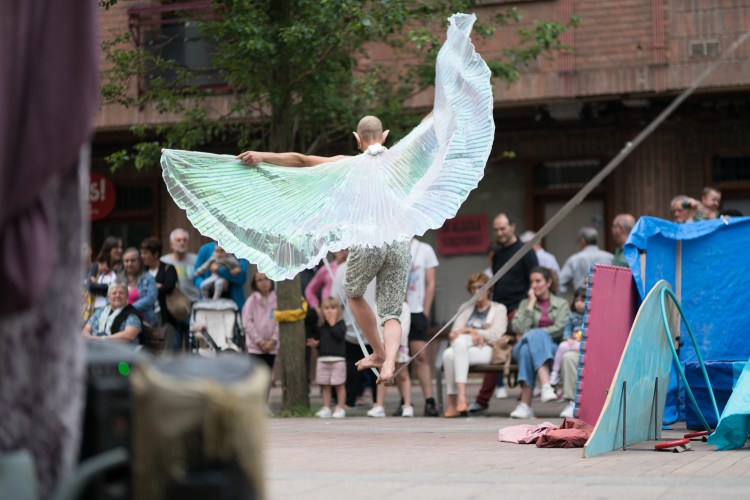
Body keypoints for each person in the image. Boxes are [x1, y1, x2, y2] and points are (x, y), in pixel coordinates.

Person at [238, 116, 411, 386]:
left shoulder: (348, 164)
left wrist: (262, 156)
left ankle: (379, 353)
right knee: (391, 312)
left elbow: (302, 160)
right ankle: (390, 360)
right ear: (385, 137)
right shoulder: (400, 165)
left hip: (368, 240)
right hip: (399, 242)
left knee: (353, 293)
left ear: (357, 139)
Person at [468, 213, 538, 414]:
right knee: (494, 351)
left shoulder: (526, 250)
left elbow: (534, 281)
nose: (499, 233)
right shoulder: (497, 253)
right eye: (496, 229)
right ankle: (482, 400)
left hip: (519, 310)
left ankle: (524, 400)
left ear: (512, 227)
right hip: (499, 309)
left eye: (503, 228)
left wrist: (527, 309)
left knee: (522, 352)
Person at [442, 272, 507, 418]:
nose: (477, 291)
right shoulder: (465, 307)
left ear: (488, 289)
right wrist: (470, 334)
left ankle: (457, 400)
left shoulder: (499, 308)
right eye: (473, 288)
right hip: (463, 349)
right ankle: (456, 402)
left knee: (456, 347)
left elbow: (496, 335)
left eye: (481, 287)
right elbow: (453, 333)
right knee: (448, 354)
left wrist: (472, 332)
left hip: (486, 349)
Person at [509, 266, 571, 418]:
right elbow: (518, 327)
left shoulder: (561, 303)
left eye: (538, 281)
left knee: (528, 350)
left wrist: (537, 333)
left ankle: (525, 405)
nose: (534, 285)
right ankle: (546, 385)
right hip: (520, 346)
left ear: (548, 282)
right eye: (532, 282)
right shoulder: (525, 303)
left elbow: (560, 328)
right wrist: (530, 304)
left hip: (552, 348)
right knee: (527, 345)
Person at [400, 237, 440, 417]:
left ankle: (429, 400)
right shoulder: (392, 245)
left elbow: (431, 283)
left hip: (417, 309)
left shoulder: (424, 249)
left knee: (420, 356)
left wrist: (425, 311)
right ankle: (405, 401)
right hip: (399, 309)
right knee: (399, 357)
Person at [161, 228, 200, 351]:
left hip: (193, 304)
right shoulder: (164, 261)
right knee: (175, 344)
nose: (182, 243)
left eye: (184, 240)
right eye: (178, 240)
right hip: (173, 307)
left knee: (192, 343)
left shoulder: (196, 260)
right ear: (171, 244)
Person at [308, 297, 348, 419]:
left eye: (333, 308)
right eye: (326, 308)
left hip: (338, 359)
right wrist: (316, 345)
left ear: (338, 311)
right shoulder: (320, 326)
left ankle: (340, 408)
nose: (330, 311)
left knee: (339, 384)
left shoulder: (341, 324)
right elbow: (322, 343)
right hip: (323, 359)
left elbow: (339, 336)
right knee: (325, 385)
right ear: (322, 310)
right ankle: (326, 407)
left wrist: (332, 323)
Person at [558, 226, 613, 294]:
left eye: (578, 241)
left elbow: (560, 282)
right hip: (606, 296)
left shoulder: (574, 259)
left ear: (583, 240)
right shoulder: (610, 258)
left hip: (582, 297)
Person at [194, 241, 249, 308]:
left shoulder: (238, 250)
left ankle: (215, 300)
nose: (219, 254)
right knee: (204, 285)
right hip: (208, 300)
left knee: (218, 283)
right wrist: (208, 286)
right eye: (217, 251)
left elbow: (242, 277)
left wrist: (220, 271)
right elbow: (196, 276)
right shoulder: (205, 249)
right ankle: (207, 299)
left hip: (233, 301)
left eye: (222, 251)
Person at [242, 272, 279, 370]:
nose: (264, 282)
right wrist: (259, 341)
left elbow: (279, 322)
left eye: (266, 279)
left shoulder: (276, 301)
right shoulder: (251, 301)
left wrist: (273, 340)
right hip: (255, 348)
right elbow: (247, 322)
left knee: (268, 374)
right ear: (255, 284)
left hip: (272, 347)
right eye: (259, 280)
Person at [550, 287, 586, 387]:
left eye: (582, 301)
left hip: (584, 344)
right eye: (577, 301)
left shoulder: (590, 316)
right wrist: (568, 338)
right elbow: (567, 329)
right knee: (562, 346)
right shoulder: (572, 316)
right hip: (574, 342)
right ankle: (555, 372)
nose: (579, 304)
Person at [140, 237, 178, 328]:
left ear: (156, 254)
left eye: (145, 253)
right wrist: (157, 286)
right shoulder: (142, 271)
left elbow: (169, 287)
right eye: (141, 253)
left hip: (165, 315)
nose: (142, 256)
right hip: (146, 315)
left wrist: (150, 288)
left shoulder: (168, 268)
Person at [119, 247, 158, 326]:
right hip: (122, 321)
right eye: (126, 261)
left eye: (133, 260)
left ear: (139, 262)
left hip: (145, 322)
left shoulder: (149, 278)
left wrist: (129, 309)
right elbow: (109, 300)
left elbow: (151, 299)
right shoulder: (118, 279)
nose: (129, 264)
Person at [87, 236, 123, 313]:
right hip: (96, 310)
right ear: (109, 249)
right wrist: (109, 286)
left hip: (115, 310)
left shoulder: (121, 268)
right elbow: (91, 287)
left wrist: (99, 286)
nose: (120, 250)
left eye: (121, 248)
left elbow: (121, 289)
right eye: (117, 248)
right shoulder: (97, 266)